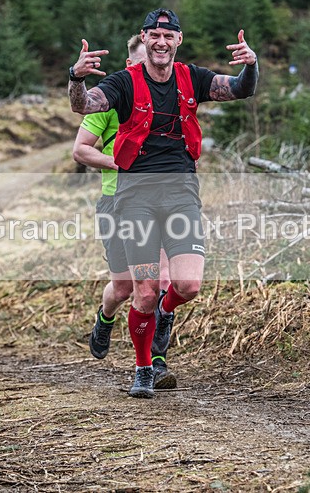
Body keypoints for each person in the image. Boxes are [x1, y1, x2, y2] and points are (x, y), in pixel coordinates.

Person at [68, 8, 258, 398]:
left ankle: (166, 313)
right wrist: (76, 77)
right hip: (134, 195)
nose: (160, 42)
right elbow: (83, 105)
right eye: (154, 35)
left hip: (181, 192)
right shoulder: (124, 82)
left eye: (168, 36)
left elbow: (240, 88)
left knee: (187, 284)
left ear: (178, 41)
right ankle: (143, 369)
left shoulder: (193, 77)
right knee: (143, 290)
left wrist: (251, 64)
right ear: (145, 37)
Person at [71, 34, 175, 389]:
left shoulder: (167, 96)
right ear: (129, 65)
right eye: (135, 66)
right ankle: (105, 317)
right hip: (116, 201)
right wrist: (120, 163)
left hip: (157, 201)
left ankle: (154, 363)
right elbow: (81, 151)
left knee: (159, 282)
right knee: (124, 286)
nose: (141, 73)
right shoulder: (112, 101)